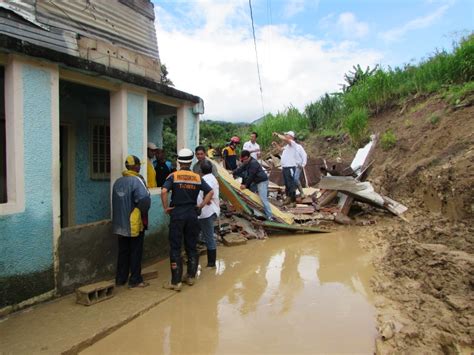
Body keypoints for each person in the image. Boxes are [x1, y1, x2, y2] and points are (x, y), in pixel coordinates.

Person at [161, 148, 214, 291]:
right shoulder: (197, 177)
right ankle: (190, 277)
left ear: (178, 161)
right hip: (192, 214)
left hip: (177, 214)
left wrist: (166, 208)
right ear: (191, 161)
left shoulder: (173, 176)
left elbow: (164, 191)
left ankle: (175, 281)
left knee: (175, 247)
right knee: (192, 246)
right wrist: (201, 205)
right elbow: (210, 191)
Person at [112, 155, 151, 288]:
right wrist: (141, 212)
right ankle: (135, 279)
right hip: (133, 223)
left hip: (119, 224)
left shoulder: (118, 182)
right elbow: (145, 199)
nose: (140, 167)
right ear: (135, 166)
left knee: (123, 251)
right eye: (139, 164)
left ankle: (120, 279)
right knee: (135, 250)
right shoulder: (137, 181)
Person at [232, 150, 274, 221]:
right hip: (256, 181)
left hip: (262, 181)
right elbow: (241, 169)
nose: (243, 161)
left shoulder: (253, 163)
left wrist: (245, 185)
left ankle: (270, 216)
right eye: (242, 160)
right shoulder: (247, 162)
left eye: (244, 159)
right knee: (247, 194)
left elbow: (251, 176)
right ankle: (252, 211)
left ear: (248, 157)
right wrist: (233, 172)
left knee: (263, 198)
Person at [197, 160, 220, 268]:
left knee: (209, 237)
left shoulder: (206, 179)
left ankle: (211, 263)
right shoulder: (212, 178)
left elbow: (209, 192)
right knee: (206, 236)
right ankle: (210, 262)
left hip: (207, 211)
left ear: (201, 170)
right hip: (208, 211)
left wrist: (205, 202)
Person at [272, 131, 299, 206]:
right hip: (285, 167)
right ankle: (288, 198)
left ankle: (293, 201)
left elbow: (285, 139)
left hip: (290, 167)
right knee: (287, 184)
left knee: (291, 184)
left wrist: (277, 134)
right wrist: (276, 144)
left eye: (287, 135)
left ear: (291, 137)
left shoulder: (293, 144)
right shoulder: (287, 146)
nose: (286, 136)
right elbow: (280, 149)